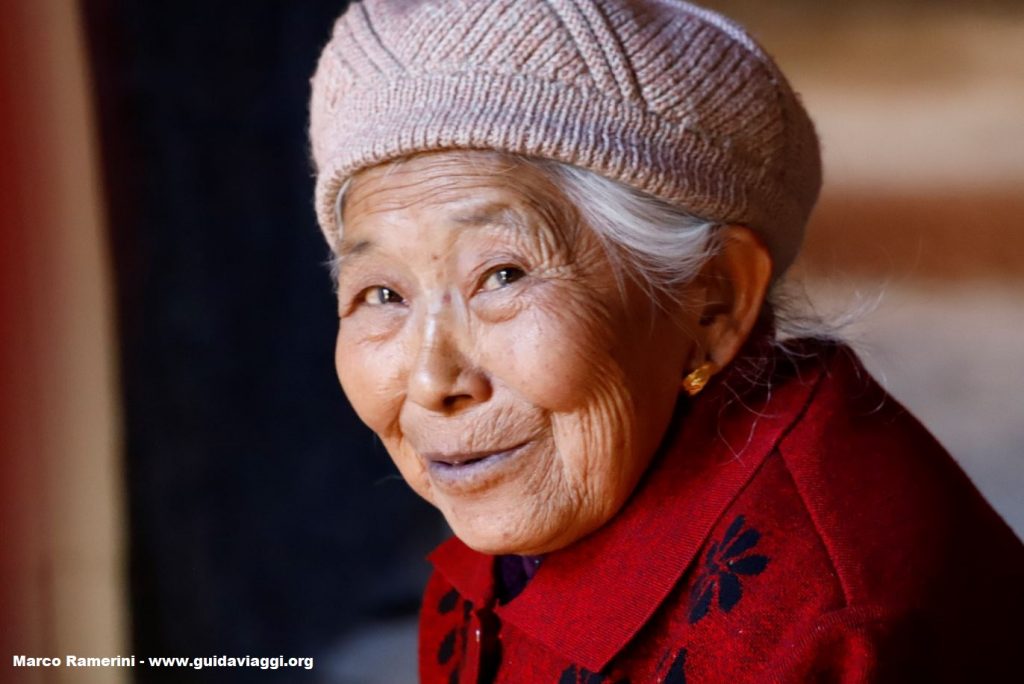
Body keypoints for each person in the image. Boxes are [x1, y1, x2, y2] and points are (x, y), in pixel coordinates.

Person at [308, 1, 1024, 681]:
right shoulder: (582, 465)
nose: (434, 378)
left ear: (714, 302)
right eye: (383, 294)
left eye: (501, 274)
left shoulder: (823, 634)